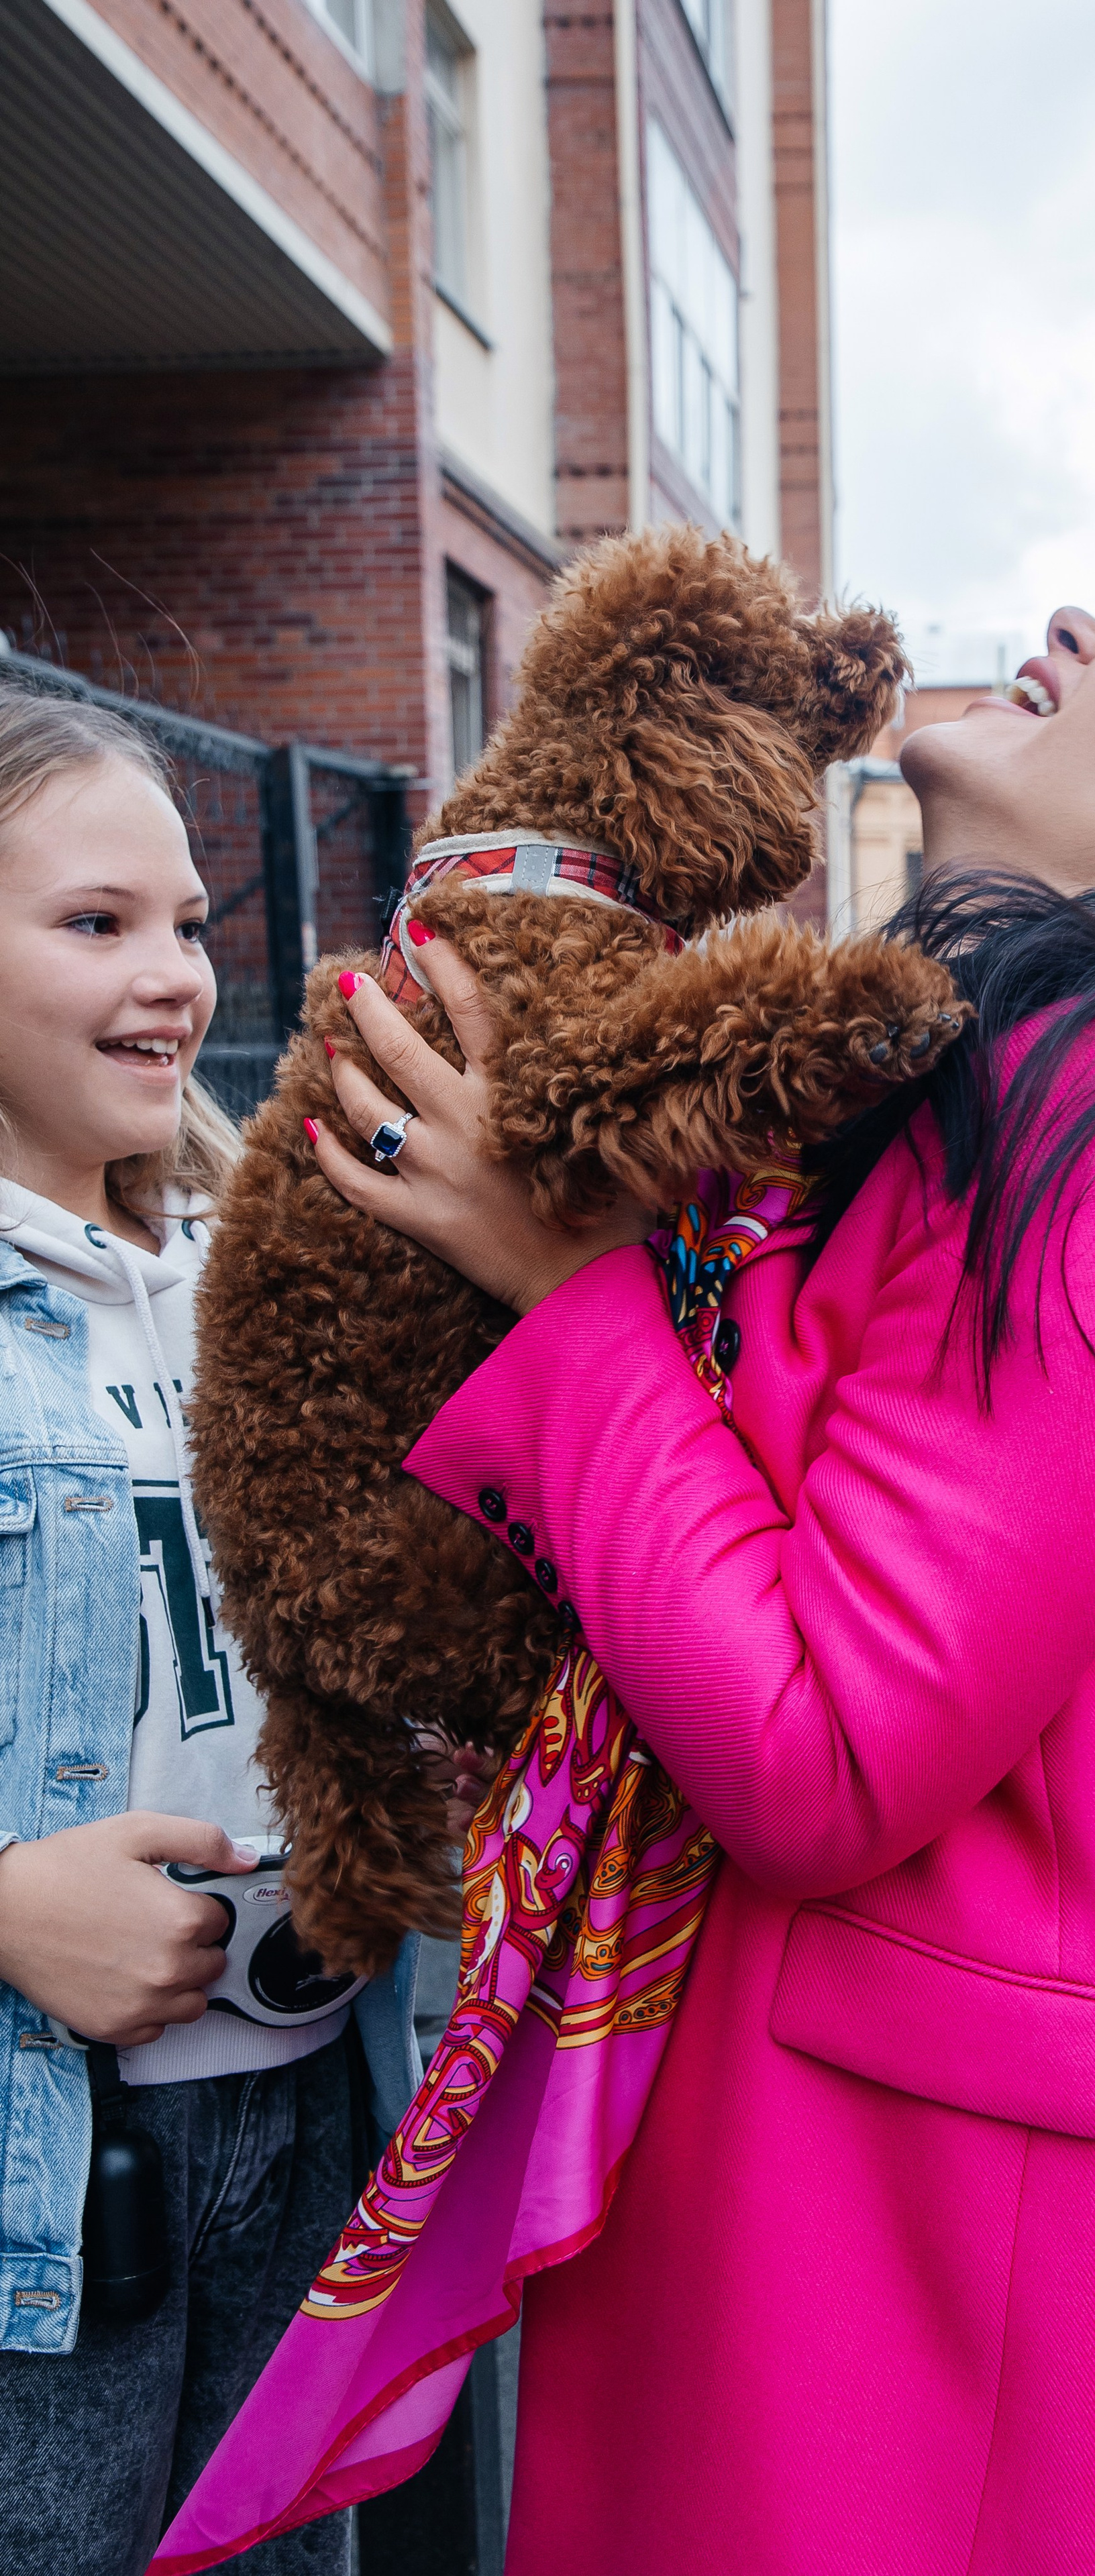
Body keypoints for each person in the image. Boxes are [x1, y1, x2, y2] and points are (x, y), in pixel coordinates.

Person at [307, 612, 1095, 2574]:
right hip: (838, 2204)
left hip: (930, 2291)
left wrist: (576, 1291)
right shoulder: (1007, 1087)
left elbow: (823, 1737)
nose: (1077, 628)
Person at [0, 692, 421, 2576]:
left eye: (187, 923)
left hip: (313, 2113)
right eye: (96, 925)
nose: (173, 976)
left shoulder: (250, 1272)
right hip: (45, 2178)